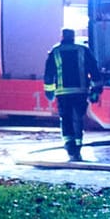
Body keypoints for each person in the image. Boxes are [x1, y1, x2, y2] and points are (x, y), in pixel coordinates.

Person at [43, 28, 97, 161]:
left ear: (62, 36)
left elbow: (49, 74)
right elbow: (94, 69)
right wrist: (96, 90)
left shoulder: (55, 51)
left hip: (63, 93)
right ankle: (78, 145)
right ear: (74, 37)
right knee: (78, 118)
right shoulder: (83, 50)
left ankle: (70, 145)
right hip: (81, 91)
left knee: (66, 119)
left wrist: (49, 92)